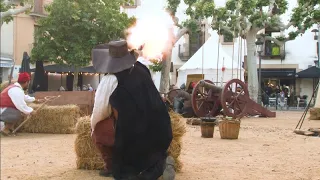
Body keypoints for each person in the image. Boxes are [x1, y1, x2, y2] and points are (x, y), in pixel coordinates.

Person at [91, 40, 173, 179]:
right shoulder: (143, 69)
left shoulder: (110, 80)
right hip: (160, 131)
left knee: (98, 130)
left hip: (131, 137)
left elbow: (99, 112)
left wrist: (93, 128)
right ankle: (161, 162)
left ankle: (111, 165)